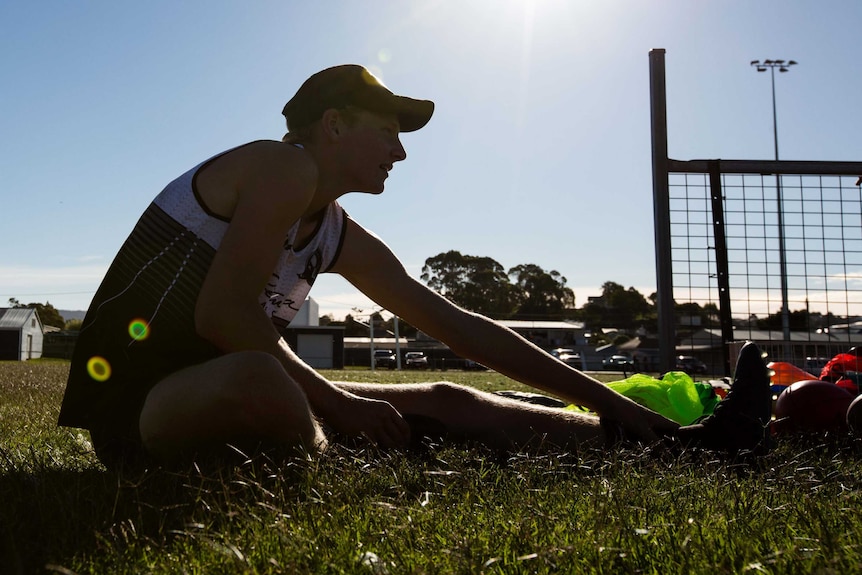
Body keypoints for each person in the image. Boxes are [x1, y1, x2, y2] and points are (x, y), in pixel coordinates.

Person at [57, 65, 771, 468]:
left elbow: (461, 327)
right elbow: (222, 316)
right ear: (334, 124)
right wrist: (339, 404)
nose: (399, 153)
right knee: (262, 376)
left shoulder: (332, 226)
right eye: (389, 132)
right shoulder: (282, 167)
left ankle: (674, 445)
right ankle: (344, 459)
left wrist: (616, 401)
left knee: (444, 392)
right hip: (137, 417)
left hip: (224, 393)